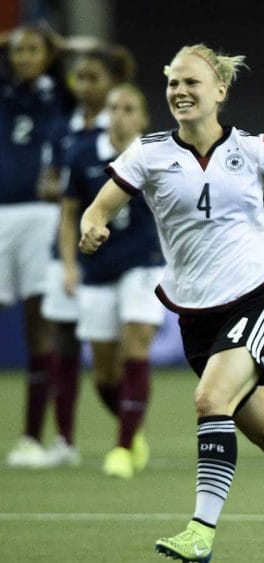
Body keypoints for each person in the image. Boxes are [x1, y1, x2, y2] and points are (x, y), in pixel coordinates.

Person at [78, 44, 264, 562]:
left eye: (191, 83)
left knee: (211, 403)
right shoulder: (148, 153)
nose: (180, 92)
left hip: (255, 296)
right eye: (173, 84)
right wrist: (93, 225)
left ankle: (200, 532)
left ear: (219, 92)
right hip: (195, 314)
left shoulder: (252, 149)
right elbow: (98, 207)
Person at [57, 83, 164, 478]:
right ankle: (132, 432)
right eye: (114, 107)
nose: (119, 114)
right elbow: (70, 214)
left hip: (144, 265)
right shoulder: (84, 154)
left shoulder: (157, 155)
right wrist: (69, 264)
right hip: (97, 270)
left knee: (135, 348)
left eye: (128, 108)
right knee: (104, 373)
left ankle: (121, 448)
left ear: (143, 118)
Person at [42, 45, 138, 468]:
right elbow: (59, 195)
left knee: (131, 348)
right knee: (67, 341)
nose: (84, 86)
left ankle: (127, 438)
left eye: (93, 77)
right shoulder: (66, 130)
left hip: (128, 258)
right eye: (78, 78)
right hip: (75, 252)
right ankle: (64, 440)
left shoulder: (136, 134)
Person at [1, 23, 73, 468]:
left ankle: (32, 437)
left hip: (41, 217)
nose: (23, 57)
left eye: (32, 50)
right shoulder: (4, 92)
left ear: (48, 55)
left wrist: (57, 45)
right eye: (16, 51)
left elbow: (96, 56)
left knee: (37, 327)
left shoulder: (60, 95)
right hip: (0, 213)